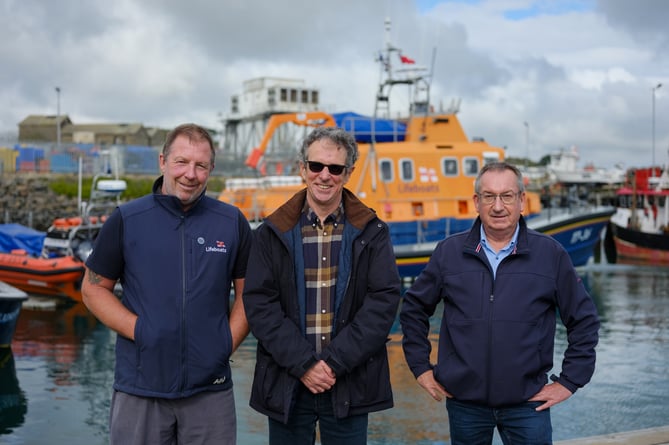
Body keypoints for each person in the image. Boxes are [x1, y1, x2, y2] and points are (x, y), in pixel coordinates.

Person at [400, 162, 600, 445]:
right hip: (464, 403)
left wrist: (569, 381)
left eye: (507, 196)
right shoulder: (449, 253)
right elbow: (413, 309)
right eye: (489, 196)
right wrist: (420, 367)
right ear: (476, 202)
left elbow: (584, 320)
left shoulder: (550, 254)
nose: (498, 206)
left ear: (521, 201)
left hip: (528, 404)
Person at [81, 123, 252, 445]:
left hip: (209, 391)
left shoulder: (231, 222)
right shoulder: (127, 219)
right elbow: (92, 288)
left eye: (201, 165)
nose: (190, 174)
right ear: (163, 161)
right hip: (140, 387)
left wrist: (225, 343)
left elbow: (249, 293)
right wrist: (140, 330)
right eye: (181, 162)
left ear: (211, 169)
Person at [242, 126, 402, 445]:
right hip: (288, 381)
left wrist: (332, 364)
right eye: (316, 166)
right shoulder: (271, 232)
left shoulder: (373, 232)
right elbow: (260, 303)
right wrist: (304, 364)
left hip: (349, 383)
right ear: (303, 169)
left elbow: (383, 302)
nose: (324, 175)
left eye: (335, 168)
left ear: (348, 173)